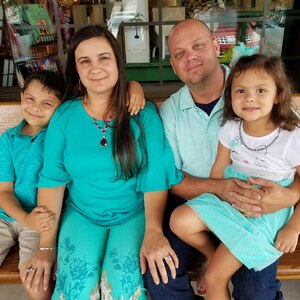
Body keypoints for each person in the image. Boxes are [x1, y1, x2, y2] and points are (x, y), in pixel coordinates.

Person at [143, 19, 300, 300]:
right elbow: (172, 179)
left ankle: (219, 266)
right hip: (203, 202)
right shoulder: (171, 111)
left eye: (198, 46)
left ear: (216, 46)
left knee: (255, 292)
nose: (189, 57)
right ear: (173, 64)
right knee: (160, 274)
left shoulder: (254, 88)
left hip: (259, 205)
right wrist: (220, 189)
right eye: (179, 54)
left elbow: (291, 159)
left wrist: (288, 197)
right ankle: (214, 258)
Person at [24, 24, 182, 300]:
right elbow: (52, 182)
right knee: (76, 289)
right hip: (82, 214)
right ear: (76, 69)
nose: (95, 68)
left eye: (103, 58)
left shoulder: (141, 114)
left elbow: (154, 175)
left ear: (118, 62)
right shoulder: (65, 116)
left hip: (134, 215)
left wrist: (154, 231)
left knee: (121, 288)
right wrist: (46, 248)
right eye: (85, 61)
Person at [0, 70, 65, 300]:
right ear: (21, 97)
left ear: (61, 108)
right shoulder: (8, 140)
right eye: (30, 99)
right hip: (6, 215)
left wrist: (32, 222)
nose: (36, 107)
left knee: (39, 286)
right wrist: (24, 218)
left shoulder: (59, 138)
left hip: (42, 220)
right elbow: (4, 192)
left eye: (47, 103)